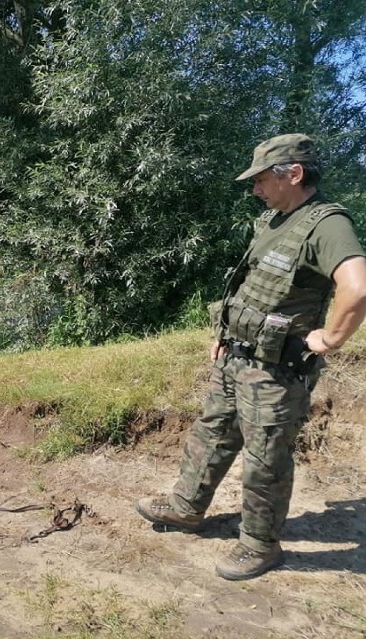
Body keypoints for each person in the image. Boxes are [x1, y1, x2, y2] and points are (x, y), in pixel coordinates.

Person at [135, 133, 366, 580]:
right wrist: (225, 334)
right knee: (212, 432)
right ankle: (186, 507)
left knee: (265, 460)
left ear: (293, 174)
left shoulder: (326, 223)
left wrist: (330, 339)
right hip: (237, 357)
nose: (255, 189)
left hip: (277, 371)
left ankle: (260, 546)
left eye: (261, 180)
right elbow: (253, 286)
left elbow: (357, 287)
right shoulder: (276, 219)